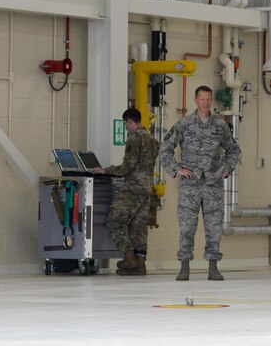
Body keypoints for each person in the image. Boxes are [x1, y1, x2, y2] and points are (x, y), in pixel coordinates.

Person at [160, 85, 241, 281]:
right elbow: (165, 149)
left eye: (208, 99)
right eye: (202, 99)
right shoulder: (184, 125)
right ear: (195, 100)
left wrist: (227, 169)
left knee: (213, 227)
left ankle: (213, 267)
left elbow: (233, 150)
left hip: (213, 185)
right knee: (187, 227)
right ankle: (184, 266)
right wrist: (176, 169)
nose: (205, 103)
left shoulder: (220, 126)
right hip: (190, 186)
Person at [93, 108, 160, 276]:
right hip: (147, 189)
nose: (125, 128)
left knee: (114, 220)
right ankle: (140, 265)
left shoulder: (133, 138)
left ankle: (129, 258)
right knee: (138, 226)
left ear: (131, 121)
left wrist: (105, 170)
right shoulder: (152, 139)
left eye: (126, 124)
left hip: (133, 187)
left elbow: (127, 167)